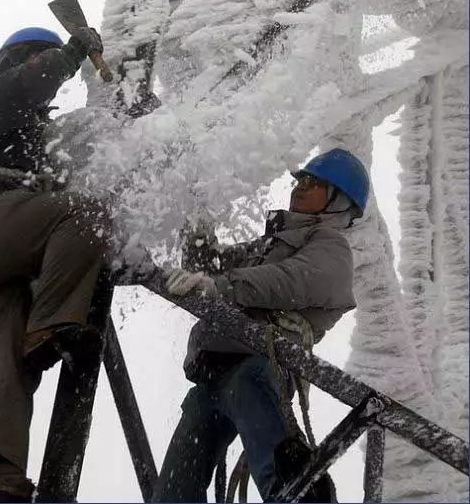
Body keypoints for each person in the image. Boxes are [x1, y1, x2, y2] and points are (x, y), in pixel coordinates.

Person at [0, 25, 113, 503]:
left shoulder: (42, 138)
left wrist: (130, 113)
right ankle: (52, 326)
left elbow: (98, 137)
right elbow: (28, 84)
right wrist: (73, 52)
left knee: (7, 363)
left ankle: (2, 481)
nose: (49, 70)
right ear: (15, 61)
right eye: (41, 59)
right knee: (84, 211)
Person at [153, 148, 370, 503]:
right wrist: (194, 211)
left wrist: (220, 285)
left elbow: (290, 280)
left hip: (261, 364)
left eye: (313, 182)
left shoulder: (331, 247)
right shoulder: (272, 243)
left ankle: (296, 492)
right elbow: (210, 268)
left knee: (252, 389)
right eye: (300, 179)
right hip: (216, 373)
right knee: (179, 478)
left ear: (338, 201)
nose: (300, 186)